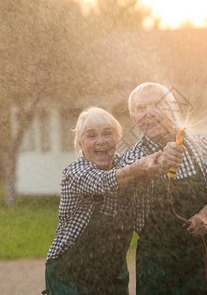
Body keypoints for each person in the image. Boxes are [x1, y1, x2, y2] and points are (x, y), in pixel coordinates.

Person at [43, 107, 183, 295]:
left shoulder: (126, 165)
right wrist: (143, 167)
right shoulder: (75, 173)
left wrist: (164, 162)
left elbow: (146, 174)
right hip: (70, 276)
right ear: (80, 143)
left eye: (107, 134)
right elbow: (107, 181)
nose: (101, 141)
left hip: (112, 276)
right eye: (91, 136)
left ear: (117, 139)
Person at [121, 82, 207, 294]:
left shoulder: (200, 143)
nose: (149, 113)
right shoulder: (130, 158)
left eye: (157, 104)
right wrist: (157, 164)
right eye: (140, 108)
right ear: (133, 118)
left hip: (202, 255)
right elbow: (125, 197)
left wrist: (205, 216)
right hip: (157, 263)